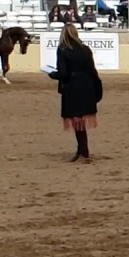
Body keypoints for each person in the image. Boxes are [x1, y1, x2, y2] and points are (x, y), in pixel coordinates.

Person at [47, 24, 103, 163]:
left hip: (73, 88)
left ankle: (84, 152)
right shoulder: (85, 49)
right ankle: (81, 150)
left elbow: (63, 73)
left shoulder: (63, 49)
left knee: (77, 120)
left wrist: (52, 74)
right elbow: (93, 70)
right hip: (88, 86)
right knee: (81, 120)